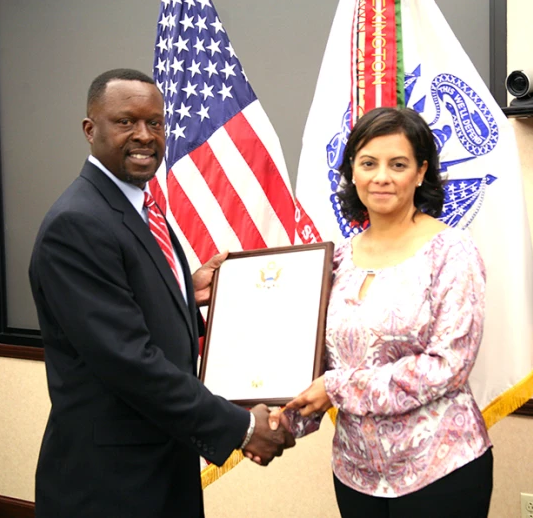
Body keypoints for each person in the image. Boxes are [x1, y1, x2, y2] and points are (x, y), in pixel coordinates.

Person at [29, 68, 294, 518]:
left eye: (155, 123)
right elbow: (129, 361)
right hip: (111, 481)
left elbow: (129, 302)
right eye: (126, 122)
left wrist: (186, 293)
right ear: (90, 130)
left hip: (161, 459)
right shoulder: (76, 223)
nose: (144, 135)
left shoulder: (141, 205)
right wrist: (244, 428)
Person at [277, 107, 493, 517]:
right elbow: (315, 358)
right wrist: (276, 417)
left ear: (420, 172)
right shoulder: (335, 259)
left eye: (398, 164)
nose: (381, 177)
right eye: (368, 163)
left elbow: (447, 366)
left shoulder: (452, 252)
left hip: (440, 470)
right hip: (355, 473)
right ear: (352, 172)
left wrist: (338, 388)